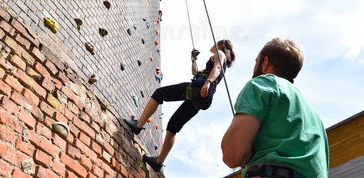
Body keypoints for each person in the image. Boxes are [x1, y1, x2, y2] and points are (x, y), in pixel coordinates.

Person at [221, 38, 329, 178]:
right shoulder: (315, 117)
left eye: (256, 62)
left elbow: (232, 154)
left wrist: (245, 156)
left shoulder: (262, 84)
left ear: (265, 62)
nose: (254, 69)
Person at [124, 39, 235, 172]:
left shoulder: (220, 53)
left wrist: (208, 82)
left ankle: (138, 125)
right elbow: (195, 72)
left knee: (159, 94)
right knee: (173, 126)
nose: (213, 45)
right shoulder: (215, 62)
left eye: (216, 43)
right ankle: (158, 162)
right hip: (202, 99)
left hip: (199, 89)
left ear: (221, 45)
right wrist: (193, 59)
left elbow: (216, 68)